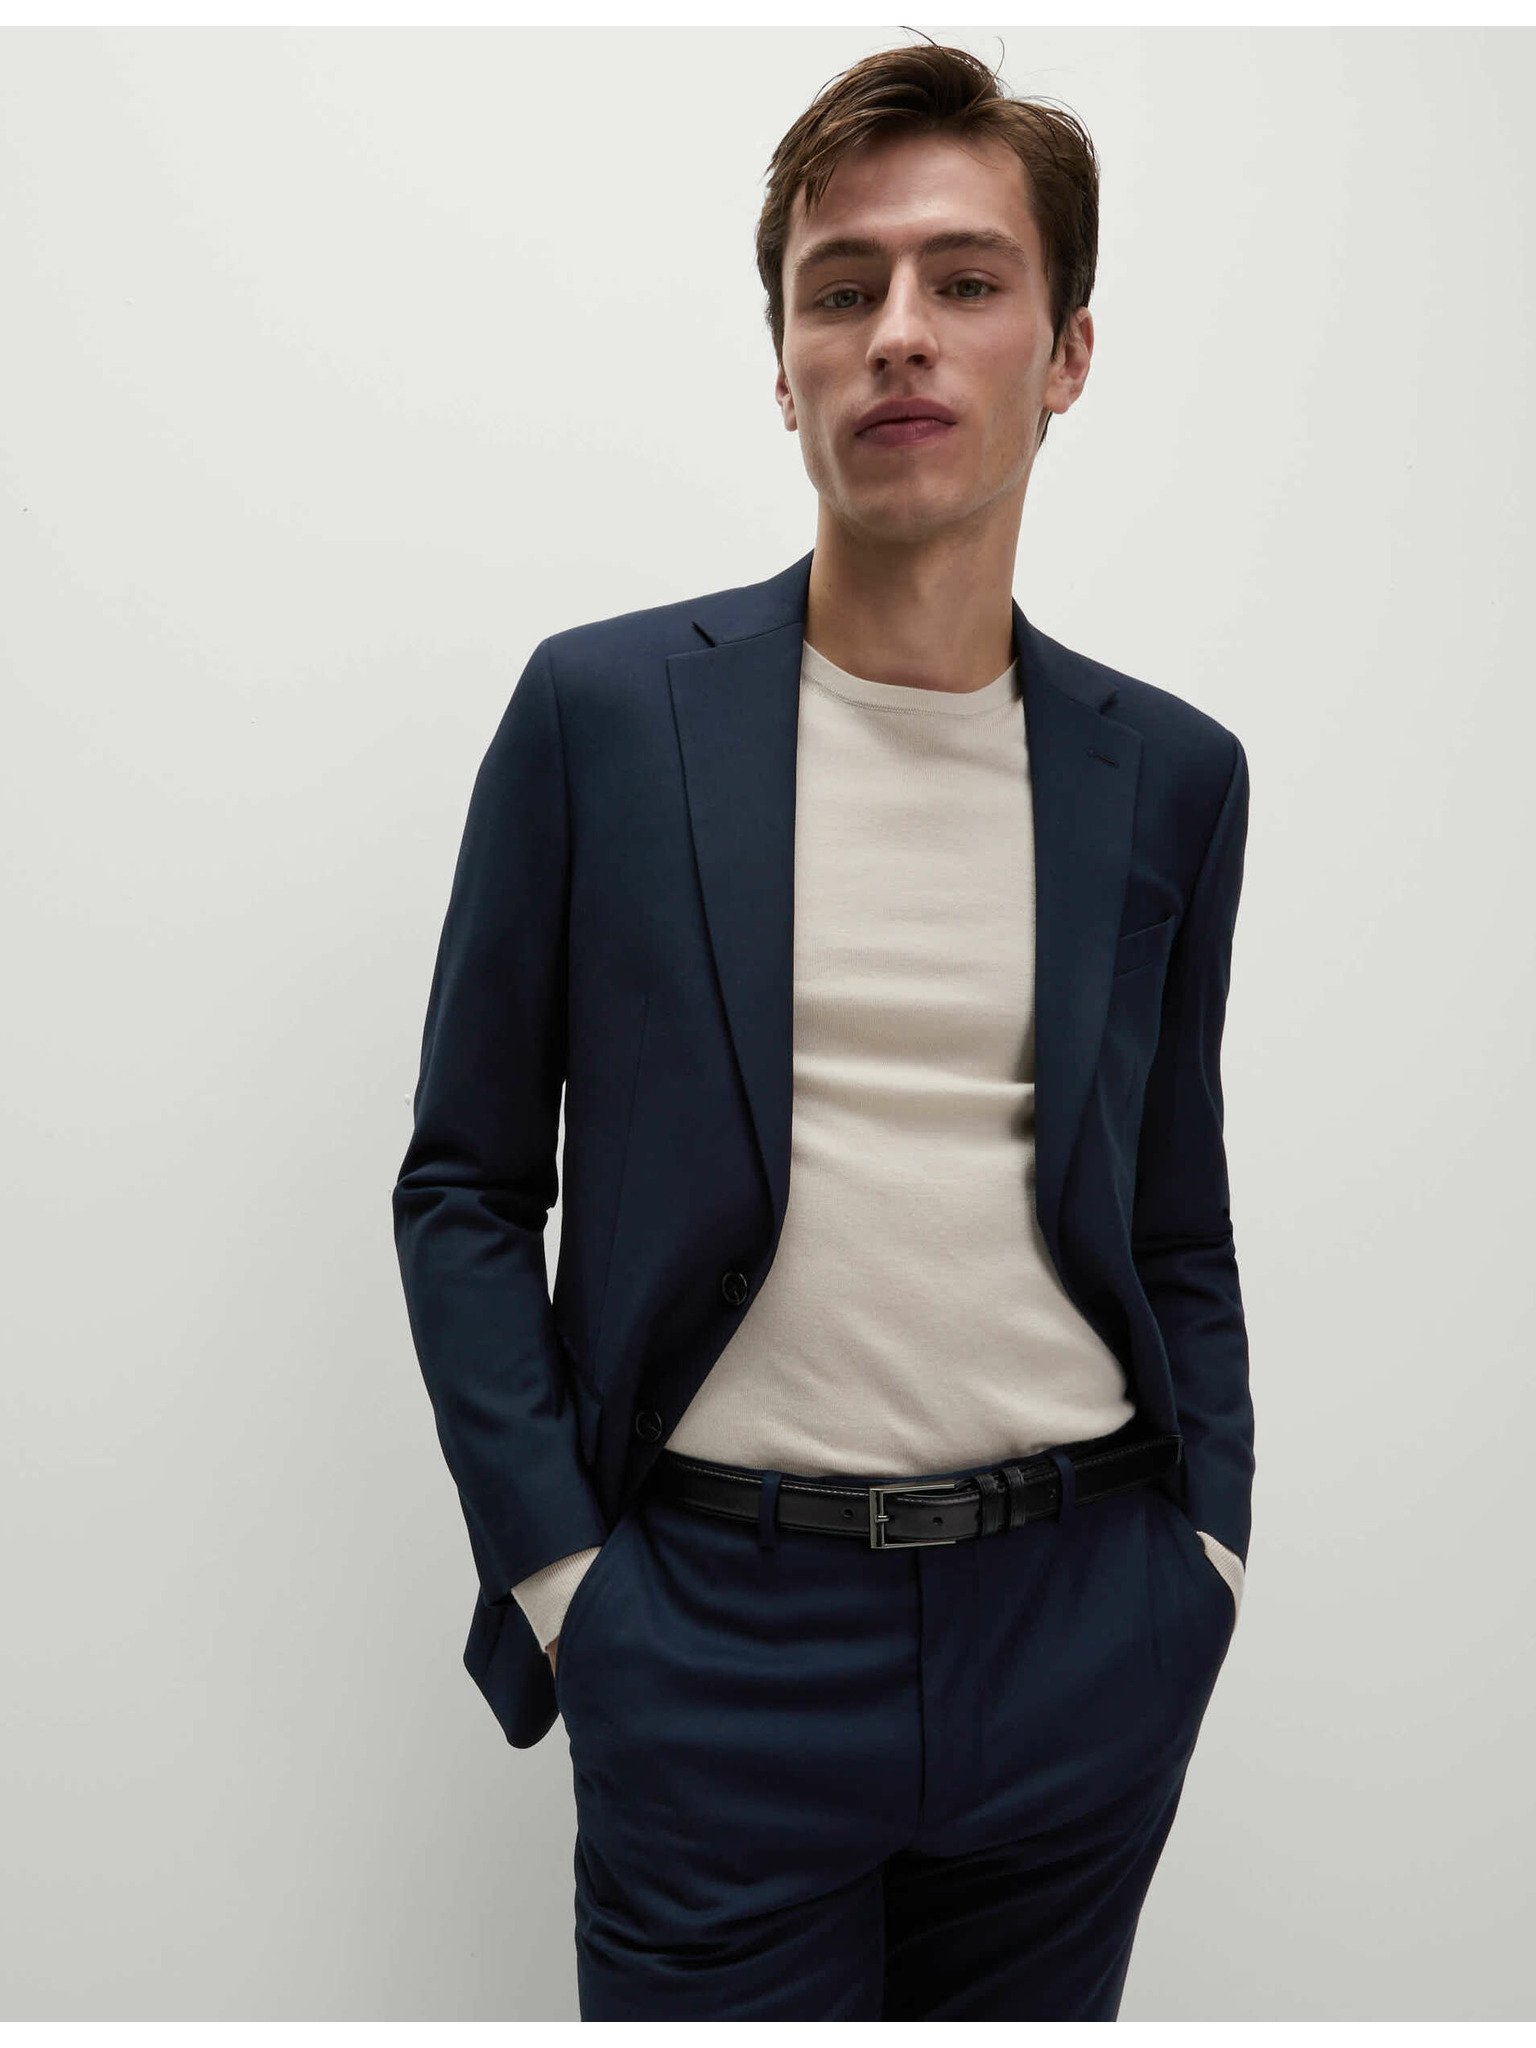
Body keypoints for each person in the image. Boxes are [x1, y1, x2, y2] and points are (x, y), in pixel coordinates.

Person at [392, 34, 1253, 2021]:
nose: (899, 334)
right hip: (714, 1638)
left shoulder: (1173, 775)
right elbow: (465, 1184)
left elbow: (1175, 1215)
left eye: (968, 279)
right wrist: (570, 1588)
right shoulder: (605, 721)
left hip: (1082, 1621)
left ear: (1068, 353)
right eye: (840, 287)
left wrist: (1200, 1556)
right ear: (783, 362)